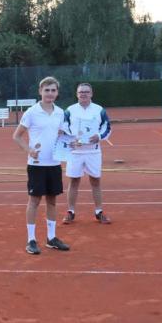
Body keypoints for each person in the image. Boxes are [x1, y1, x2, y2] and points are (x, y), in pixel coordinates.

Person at [12, 77, 70, 255]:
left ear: (57, 93)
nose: (50, 93)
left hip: (54, 163)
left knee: (52, 200)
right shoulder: (31, 112)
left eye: (53, 90)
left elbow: (63, 136)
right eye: (47, 90)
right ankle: (31, 240)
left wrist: (71, 143)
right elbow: (17, 136)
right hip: (37, 165)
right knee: (35, 201)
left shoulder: (60, 112)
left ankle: (51, 238)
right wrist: (29, 150)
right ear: (40, 91)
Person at [61, 83, 112, 225]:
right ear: (77, 94)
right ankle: (70, 212)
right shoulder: (70, 110)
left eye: (86, 92)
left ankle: (99, 211)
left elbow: (107, 127)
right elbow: (63, 127)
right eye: (81, 92)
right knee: (74, 181)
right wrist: (70, 139)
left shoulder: (99, 110)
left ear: (91, 93)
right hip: (75, 152)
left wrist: (99, 137)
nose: (83, 94)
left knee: (95, 181)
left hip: (93, 151)